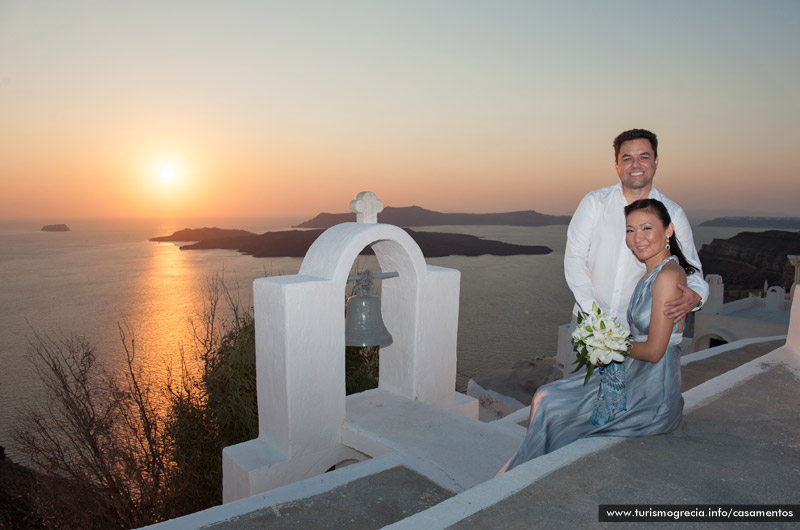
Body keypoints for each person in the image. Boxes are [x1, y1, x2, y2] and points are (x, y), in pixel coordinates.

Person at [498, 198, 698, 474]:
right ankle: (527, 470)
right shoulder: (652, 272)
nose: (637, 238)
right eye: (630, 230)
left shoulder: (666, 277)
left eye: (646, 228)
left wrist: (610, 343)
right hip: (636, 374)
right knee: (546, 395)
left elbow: (653, 352)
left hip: (651, 391)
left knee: (553, 401)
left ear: (669, 230)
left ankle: (525, 475)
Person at [563, 129, 707, 353]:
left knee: (634, 389)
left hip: (641, 331)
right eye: (627, 158)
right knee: (578, 386)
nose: (636, 165)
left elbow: (692, 269)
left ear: (656, 161)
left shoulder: (672, 213)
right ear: (617, 164)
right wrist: (594, 316)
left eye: (644, 157)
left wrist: (696, 296)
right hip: (588, 324)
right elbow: (575, 258)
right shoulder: (594, 203)